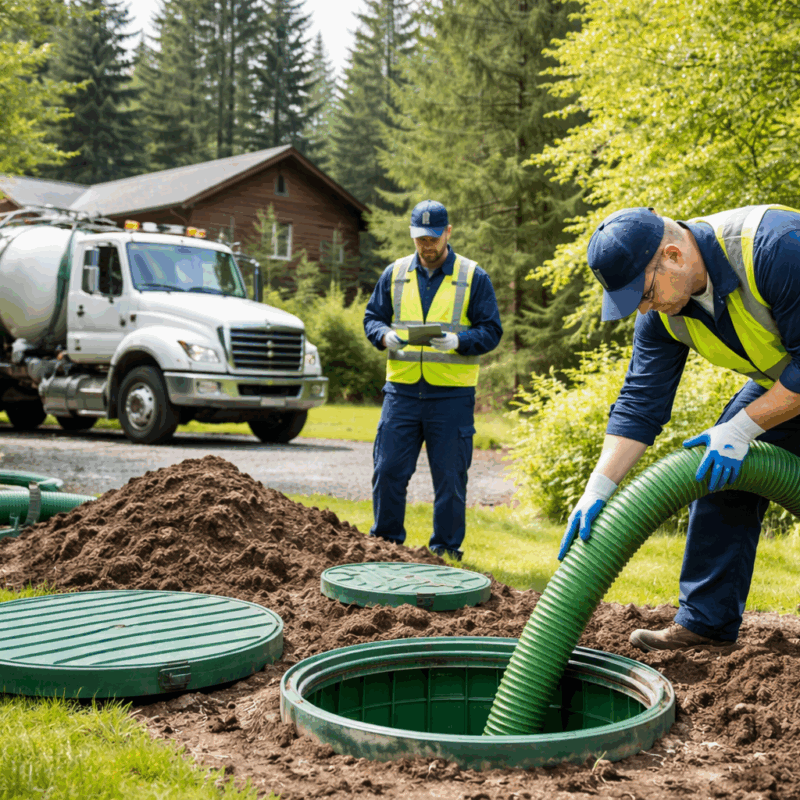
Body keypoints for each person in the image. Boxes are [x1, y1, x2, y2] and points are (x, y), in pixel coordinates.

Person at [558, 204, 800, 652]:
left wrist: (742, 429)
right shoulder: (663, 312)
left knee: (733, 440)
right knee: (722, 474)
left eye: (645, 293)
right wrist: (597, 489)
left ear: (672, 255)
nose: (643, 308)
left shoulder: (777, 247)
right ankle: (705, 626)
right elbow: (640, 404)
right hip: (788, 383)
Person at [363, 199, 503, 560]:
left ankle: (446, 552)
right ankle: (386, 546)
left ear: (448, 233)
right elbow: (372, 317)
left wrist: (460, 341)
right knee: (388, 471)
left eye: (434, 238)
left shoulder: (473, 277)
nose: (427, 245)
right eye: (420, 238)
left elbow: (491, 331)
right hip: (402, 393)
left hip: (451, 397)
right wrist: (383, 335)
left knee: (450, 479)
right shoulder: (394, 273)